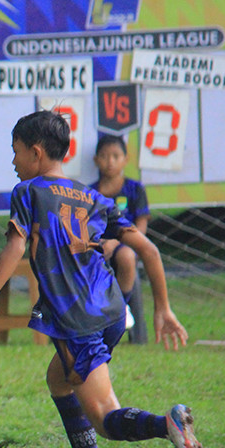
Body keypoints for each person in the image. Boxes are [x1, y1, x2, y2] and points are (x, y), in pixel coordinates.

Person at [0, 110, 209, 448]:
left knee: (104, 418)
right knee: (58, 379)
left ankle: (166, 424)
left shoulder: (28, 192)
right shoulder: (94, 197)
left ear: (35, 152)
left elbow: (15, 246)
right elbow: (147, 249)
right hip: (112, 310)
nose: (13, 162)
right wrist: (163, 308)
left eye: (15, 153)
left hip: (76, 319)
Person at [91, 135, 149, 343]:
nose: (110, 162)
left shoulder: (134, 189)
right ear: (96, 160)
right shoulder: (90, 192)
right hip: (98, 247)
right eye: (105, 156)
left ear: (126, 159)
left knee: (126, 256)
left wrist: (121, 241)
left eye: (116, 156)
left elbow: (141, 224)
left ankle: (121, 308)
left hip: (126, 244)